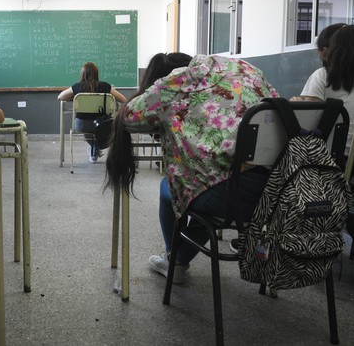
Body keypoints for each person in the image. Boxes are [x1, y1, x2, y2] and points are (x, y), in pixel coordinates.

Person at [105, 54, 278, 284]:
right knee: (206, 185)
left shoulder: (176, 82)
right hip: (280, 191)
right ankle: (178, 258)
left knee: (178, 187)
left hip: (229, 198)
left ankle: (175, 262)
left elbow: (128, 117)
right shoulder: (243, 68)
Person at [291, 23, 354, 150]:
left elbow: (308, 124)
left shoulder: (323, 75)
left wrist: (296, 106)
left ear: (334, 49)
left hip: (337, 154)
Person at [57, 61, 127, 163]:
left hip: (82, 126)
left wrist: (75, 97)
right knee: (97, 129)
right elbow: (123, 99)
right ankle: (95, 150)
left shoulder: (77, 87)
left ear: (82, 74)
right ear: (96, 74)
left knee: (89, 130)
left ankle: (94, 151)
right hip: (103, 125)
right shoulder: (105, 86)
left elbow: (60, 97)